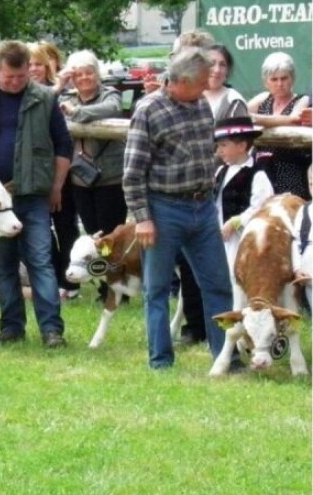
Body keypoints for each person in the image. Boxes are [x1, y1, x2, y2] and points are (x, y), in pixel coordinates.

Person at [123, 47, 240, 371]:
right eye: (202, 81)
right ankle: (161, 361)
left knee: (217, 284)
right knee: (157, 288)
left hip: (202, 207)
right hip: (163, 209)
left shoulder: (201, 103)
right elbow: (132, 173)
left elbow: (207, 153)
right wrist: (143, 219)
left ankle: (226, 357)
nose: (207, 87)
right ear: (182, 81)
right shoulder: (148, 110)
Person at [0, 40, 72, 348]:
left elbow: (63, 146)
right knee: (4, 264)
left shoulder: (45, 98)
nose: (17, 82)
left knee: (40, 261)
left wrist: (57, 186)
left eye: (22, 76)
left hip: (33, 195)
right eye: (10, 77)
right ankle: (12, 328)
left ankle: (51, 330)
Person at [58, 50, 127, 301]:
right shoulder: (66, 97)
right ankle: (103, 285)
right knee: (91, 232)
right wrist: (59, 86)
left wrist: (76, 114)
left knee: (112, 234)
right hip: (80, 178)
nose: (84, 78)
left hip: (110, 177)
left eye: (89, 73)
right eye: (78, 74)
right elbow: (47, 106)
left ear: (97, 74)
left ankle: (118, 286)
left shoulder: (110, 94)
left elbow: (111, 109)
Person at [28, 42, 80, 300]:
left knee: (66, 224)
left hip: (62, 169)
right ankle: (53, 276)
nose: (33, 69)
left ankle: (70, 279)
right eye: (29, 64)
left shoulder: (68, 93)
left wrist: (59, 89)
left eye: (38, 63)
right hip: (35, 172)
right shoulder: (22, 93)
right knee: (40, 228)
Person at [213, 115, 273, 279]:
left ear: (242, 146)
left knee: (239, 275)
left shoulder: (257, 175)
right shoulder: (221, 171)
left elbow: (261, 208)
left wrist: (235, 221)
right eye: (218, 146)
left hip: (242, 238)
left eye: (224, 145)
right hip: (219, 235)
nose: (219, 151)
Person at [248, 51, 311, 200]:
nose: (279, 84)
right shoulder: (263, 98)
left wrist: (256, 119)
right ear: (266, 82)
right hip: (262, 170)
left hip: (291, 169)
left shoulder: (302, 100)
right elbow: (242, 114)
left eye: (284, 78)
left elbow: (294, 119)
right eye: (274, 79)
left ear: (292, 79)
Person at [203, 44, 247, 121]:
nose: (217, 70)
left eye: (222, 65)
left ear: (227, 71)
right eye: (211, 64)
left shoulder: (233, 101)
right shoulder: (190, 97)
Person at [291, 165, 313, 306]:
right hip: (309, 271)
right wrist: (297, 269)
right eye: (311, 183)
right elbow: (296, 241)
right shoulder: (304, 210)